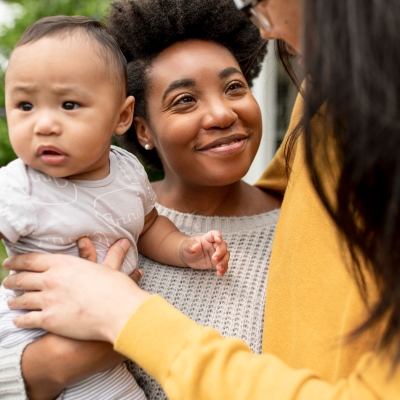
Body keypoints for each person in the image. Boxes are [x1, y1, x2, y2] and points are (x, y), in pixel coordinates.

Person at [4, 0, 400, 398]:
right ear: (138, 127)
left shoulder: (308, 228)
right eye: (184, 100)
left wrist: (121, 316)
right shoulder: (105, 226)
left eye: (234, 87)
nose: (221, 114)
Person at [0, 15, 230, 400]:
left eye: (69, 104)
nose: (43, 124)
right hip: (35, 337)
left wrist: (185, 249)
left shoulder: (126, 171)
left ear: (122, 116)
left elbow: (148, 225)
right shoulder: (18, 185)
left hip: (112, 352)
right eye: (25, 105)